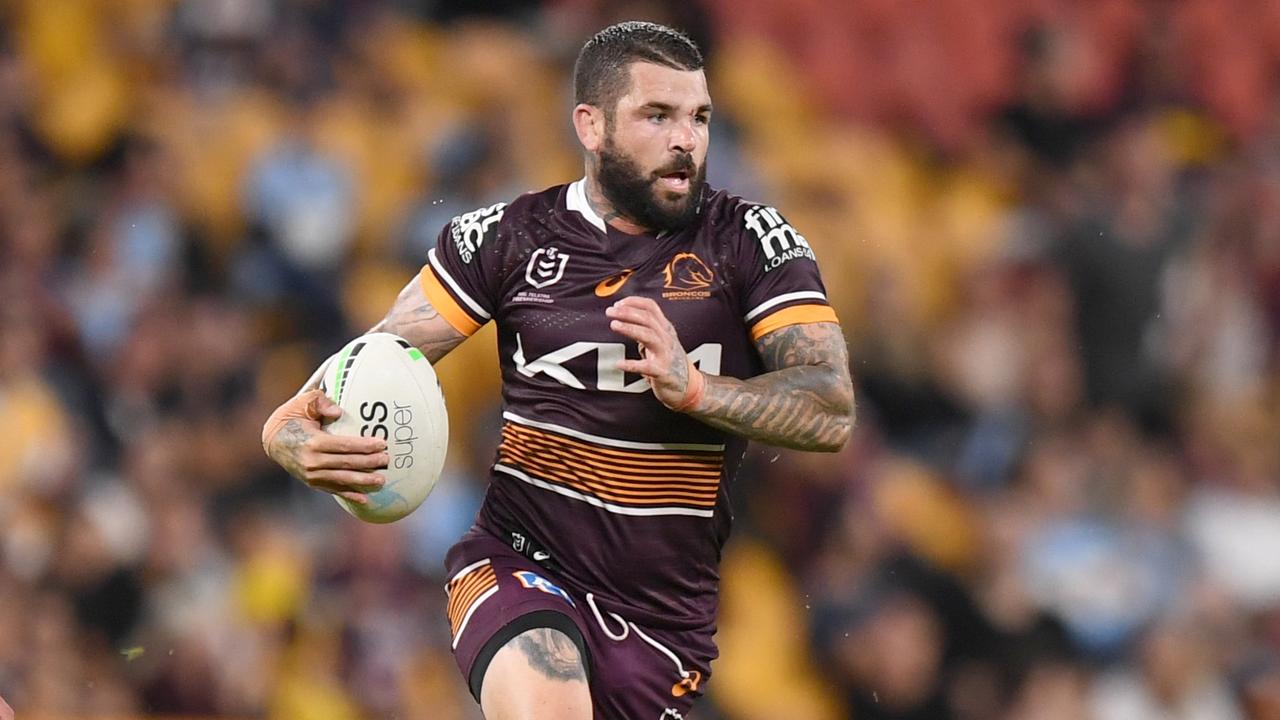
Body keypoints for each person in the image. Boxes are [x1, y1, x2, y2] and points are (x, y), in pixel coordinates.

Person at [262, 20, 854, 720]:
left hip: (661, 625)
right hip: (517, 564)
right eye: (656, 116)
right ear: (591, 126)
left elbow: (831, 408)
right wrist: (288, 433)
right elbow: (370, 362)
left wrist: (696, 389)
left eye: (698, 117)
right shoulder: (504, 240)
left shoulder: (752, 244)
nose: (685, 140)